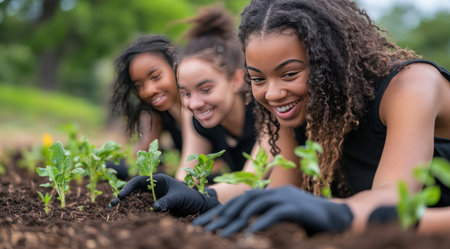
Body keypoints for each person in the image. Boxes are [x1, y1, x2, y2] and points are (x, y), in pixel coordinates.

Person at [192, 0, 450, 237]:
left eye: (290, 73)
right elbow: (278, 195)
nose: (272, 93)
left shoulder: (411, 87)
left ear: (329, 60)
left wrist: (333, 212)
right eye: (258, 79)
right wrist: (200, 197)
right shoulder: (292, 109)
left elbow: (393, 201)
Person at [108, 5, 300, 213]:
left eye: (206, 89)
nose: (194, 104)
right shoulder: (201, 122)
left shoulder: (268, 113)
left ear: (236, 80)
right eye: (186, 94)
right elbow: (186, 176)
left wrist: (203, 196)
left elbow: (249, 181)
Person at [110, 35, 183, 179]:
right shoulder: (157, 112)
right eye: (139, 86)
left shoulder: (199, 105)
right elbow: (145, 152)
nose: (148, 91)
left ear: (174, 65)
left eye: (156, 77)